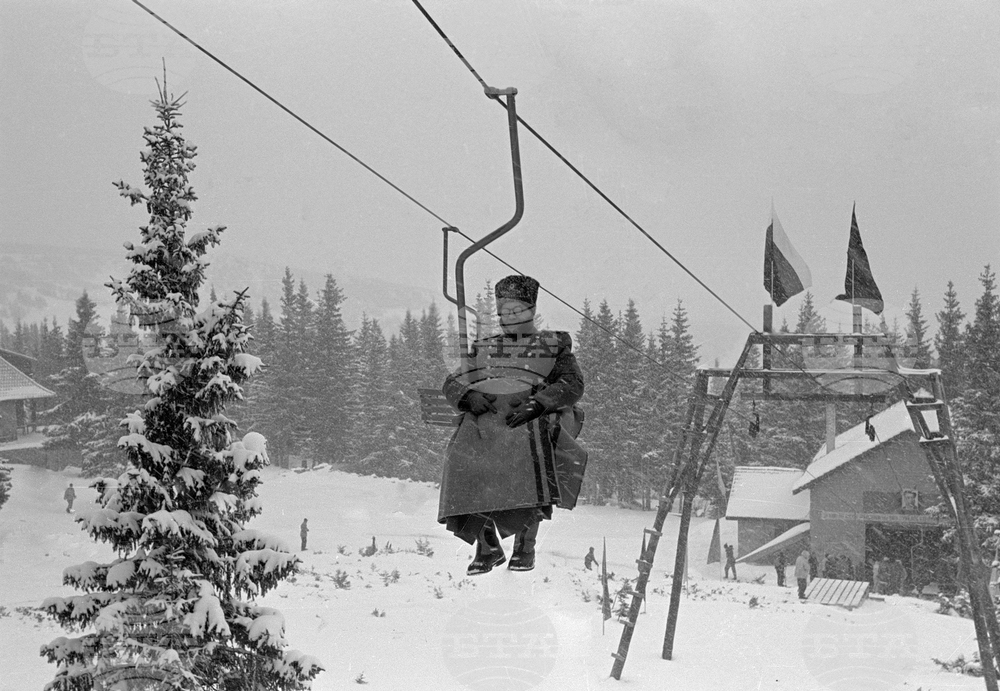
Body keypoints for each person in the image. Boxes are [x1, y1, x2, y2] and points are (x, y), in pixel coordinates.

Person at [438, 275, 587, 576]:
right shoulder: (485, 348)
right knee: (460, 460)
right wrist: (469, 396)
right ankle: (487, 544)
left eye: (516, 311)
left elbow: (572, 384)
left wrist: (540, 403)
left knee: (522, 454)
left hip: (529, 421)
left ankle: (524, 544)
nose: (509, 318)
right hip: (487, 422)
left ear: (530, 310)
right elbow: (453, 381)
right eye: (504, 312)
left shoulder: (551, 346)